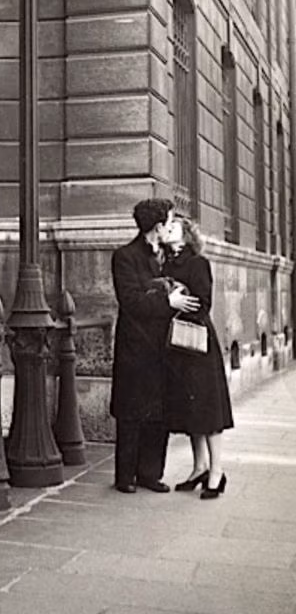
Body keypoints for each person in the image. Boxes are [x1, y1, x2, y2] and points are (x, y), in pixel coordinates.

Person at [110, 198, 200, 494]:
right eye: (169, 221)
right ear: (158, 226)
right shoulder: (124, 256)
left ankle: (150, 474)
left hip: (163, 346)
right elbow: (130, 301)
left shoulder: (167, 255)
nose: (172, 226)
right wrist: (167, 300)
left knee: (158, 412)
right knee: (131, 412)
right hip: (135, 347)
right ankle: (126, 476)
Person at [162, 217, 234, 499]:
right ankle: (199, 467)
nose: (167, 229)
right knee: (190, 409)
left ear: (186, 235)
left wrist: (177, 299)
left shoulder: (198, 262)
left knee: (208, 408)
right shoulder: (165, 262)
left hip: (198, 343)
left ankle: (216, 472)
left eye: (173, 227)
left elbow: (203, 303)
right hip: (177, 346)